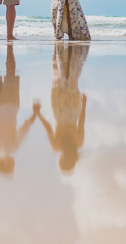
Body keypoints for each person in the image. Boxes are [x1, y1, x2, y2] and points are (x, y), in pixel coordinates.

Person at [0, 43, 40, 176]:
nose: (14, 164)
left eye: (12, 167)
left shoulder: (12, 148)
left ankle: (9, 46)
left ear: (7, 164)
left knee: (11, 70)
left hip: (10, 105)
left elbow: (25, 128)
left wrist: (35, 113)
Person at [36, 44, 89, 173]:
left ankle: (68, 50)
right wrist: (38, 113)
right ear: (63, 160)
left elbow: (81, 122)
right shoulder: (56, 147)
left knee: (72, 79)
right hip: (59, 112)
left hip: (73, 111)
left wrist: (84, 104)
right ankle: (57, 49)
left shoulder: (79, 143)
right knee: (58, 80)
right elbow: (48, 128)